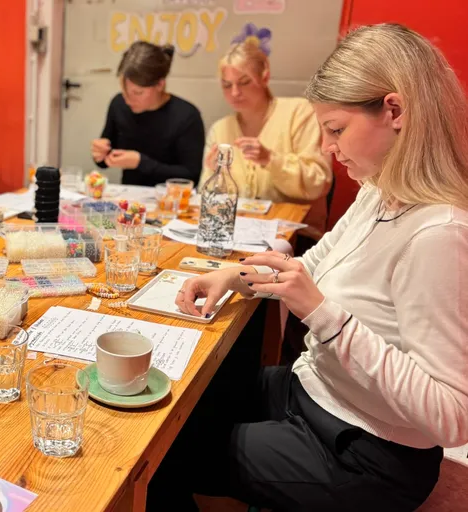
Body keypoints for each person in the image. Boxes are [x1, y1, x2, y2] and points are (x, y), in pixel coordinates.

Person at [148, 24, 468, 512]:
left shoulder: (438, 234)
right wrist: (232, 276)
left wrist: (323, 315)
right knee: (173, 408)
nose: (327, 148)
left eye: (336, 130)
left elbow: (452, 417)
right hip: (313, 392)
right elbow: (314, 263)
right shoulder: (380, 192)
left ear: (395, 111)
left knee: (163, 457)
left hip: (368, 452)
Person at [201, 38, 333, 239]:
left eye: (244, 82)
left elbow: (319, 183)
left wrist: (270, 160)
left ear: (265, 77)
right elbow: (207, 198)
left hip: (295, 234)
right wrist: (214, 177)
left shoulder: (299, 113)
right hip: (236, 232)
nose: (235, 93)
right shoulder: (220, 129)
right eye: (227, 85)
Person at [91, 41, 205, 187]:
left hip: (173, 200)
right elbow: (105, 160)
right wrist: (100, 153)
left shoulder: (187, 116)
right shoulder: (119, 104)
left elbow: (191, 175)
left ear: (160, 84)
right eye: (124, 91)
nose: (127, 99)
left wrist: (141, 163)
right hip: (130, 197)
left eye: (137, 93)